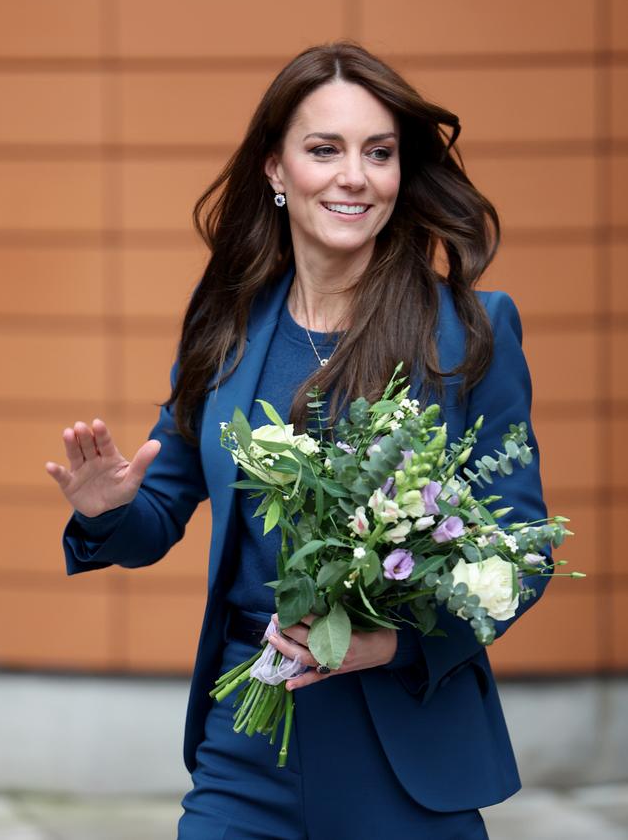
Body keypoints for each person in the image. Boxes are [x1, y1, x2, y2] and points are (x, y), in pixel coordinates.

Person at [46, 41, 550, 839]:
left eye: (378, 153)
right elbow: (160, 511)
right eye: (325, 149)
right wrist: (110, 509)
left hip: (405, 748)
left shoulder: (471, 332)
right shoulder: (227, 326)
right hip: (248, 740)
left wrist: (389, 645)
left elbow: (523, 548)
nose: (355, 175)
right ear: (277, 171)